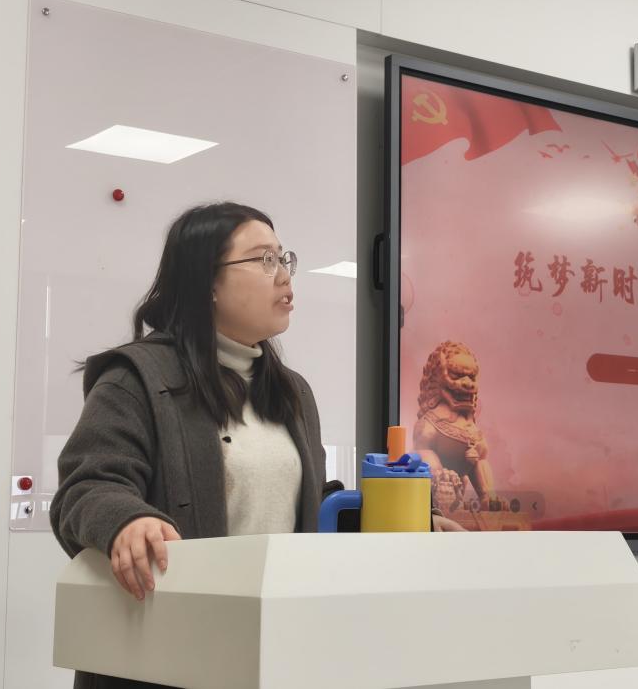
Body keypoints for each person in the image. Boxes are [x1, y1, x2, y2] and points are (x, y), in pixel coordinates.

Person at [51, 202, 460, 689]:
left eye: (284, 258)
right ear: (207, 282)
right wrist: (127, 520)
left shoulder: (291, 391)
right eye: (264, 259)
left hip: (268, 649)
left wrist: (404, 521)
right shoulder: (136, 378)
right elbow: (88, 485)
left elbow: (307, 508)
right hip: (163, 653)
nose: (284, 275)